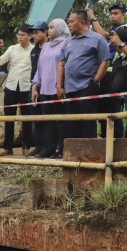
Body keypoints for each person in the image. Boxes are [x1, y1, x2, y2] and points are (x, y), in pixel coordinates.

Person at [57, 10, 111, 139]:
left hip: (86, 87)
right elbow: (61, 64)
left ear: (81, 22)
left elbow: (105, 61)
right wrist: (59, 86)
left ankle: (89, 155)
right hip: (69, 88)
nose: (68, 24)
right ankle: (75, 155)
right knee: (72, 122)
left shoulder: (97, 39)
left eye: (71, 21)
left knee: (87, 122)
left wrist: (96, 81)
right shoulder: (68, 41)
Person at [0, 24, 34, 156]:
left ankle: (26, 146)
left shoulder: (34, 50)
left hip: (27, 87)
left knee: (27, 118)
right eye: (18, 35)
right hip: (11, 86)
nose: (19, 37)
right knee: (9, 117)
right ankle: (8, 147)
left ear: (30, 36)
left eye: (22, 35)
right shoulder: (12, 49)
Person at [32, 19, 70, 159]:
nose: (49, 30)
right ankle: (49, 148)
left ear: (60, 28)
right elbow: (39, 69)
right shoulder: (46, 46)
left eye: (52, 27)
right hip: (45, 90)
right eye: (49, 28)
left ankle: (61, 149)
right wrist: (35, 86)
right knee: (48, 121)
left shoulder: (66, 43)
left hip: (58, 89)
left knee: (60, 121)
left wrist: (61, 86)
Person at [88, 3, 127, 138]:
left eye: (116, 13)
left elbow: (104, 34)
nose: (112, 16)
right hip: (108, 72)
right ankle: (105, 135)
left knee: (113, 106)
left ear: (124, 14)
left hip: (118, 72)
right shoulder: (115, 28)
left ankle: (116, 137)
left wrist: (93, 18)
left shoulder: (123, 28)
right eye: (111, 14)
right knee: (104, 106)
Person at [26, 21, 49, 157]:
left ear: (45, 32)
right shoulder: (34, 51)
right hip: (35, 86)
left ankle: (49, 147)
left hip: (49, 87)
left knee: (49, 119)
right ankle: (39, 146)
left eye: (37, 32)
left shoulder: (52, 47)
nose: (34, 35)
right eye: (33, 33)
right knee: (37, 117)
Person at [108, 28, 127, 128]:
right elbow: (123, 54)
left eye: (114, 35)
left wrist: (120, 43)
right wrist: (117, 45)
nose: (111, 38)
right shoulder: (121, 58)